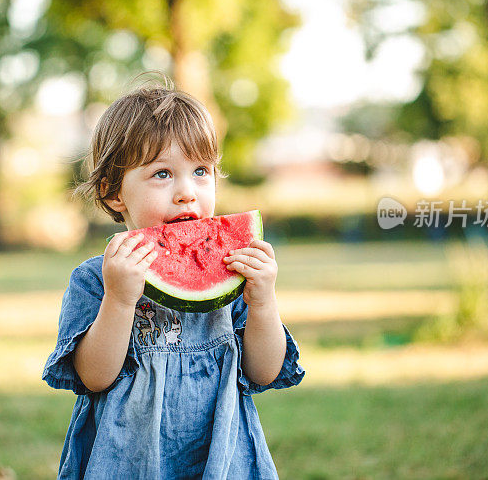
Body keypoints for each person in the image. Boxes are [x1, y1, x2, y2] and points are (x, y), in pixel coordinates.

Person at [42, 72, 305, 479]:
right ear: (114, 192)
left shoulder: (230, 273)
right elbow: (94, 377)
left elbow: (263, 371)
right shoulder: (95, 279)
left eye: (201, 171)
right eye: (162, 174)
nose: (187, 191)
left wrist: (263, 304)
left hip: (221, 459)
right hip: (128, 462)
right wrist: (119, 299)